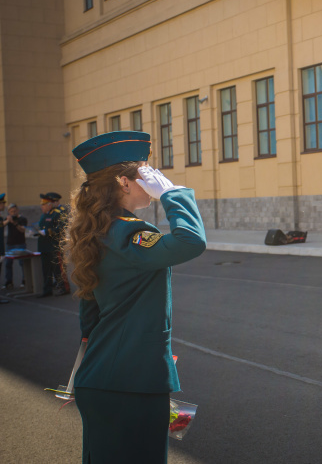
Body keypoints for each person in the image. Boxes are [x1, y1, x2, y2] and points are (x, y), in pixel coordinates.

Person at [65, 130, 206, 464]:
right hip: (130, 384)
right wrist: (173, 195)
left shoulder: (100, 229)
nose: (155, 180)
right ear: (124, 182)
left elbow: (90, 319)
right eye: (148, 173)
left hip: (108, 378)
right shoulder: (128, 231)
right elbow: (191, 242)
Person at [37, 192, 70, 297]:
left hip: (54, 245)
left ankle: (63, 287)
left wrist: (48, 231)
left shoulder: (59, 212)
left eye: (44, 204)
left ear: (50, 204)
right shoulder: (46, 214)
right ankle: (47, 289)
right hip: (44, 246)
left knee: (58, 268)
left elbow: (61, 228)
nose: (42, 206)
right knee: (46, 270)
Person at [3, 203, 28, 289]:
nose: (13, 213)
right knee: (8, 263)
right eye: (11, 211)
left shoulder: (22, 219)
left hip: (20, 243)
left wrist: (14, 222)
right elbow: (2, 225)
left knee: (22, 263)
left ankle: (25, 280)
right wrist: (8, 220)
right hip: (10, 244)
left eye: (14, 211)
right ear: (8, 212)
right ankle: (9, 282)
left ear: (17, 210)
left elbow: (22, 230)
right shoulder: (7, 218)